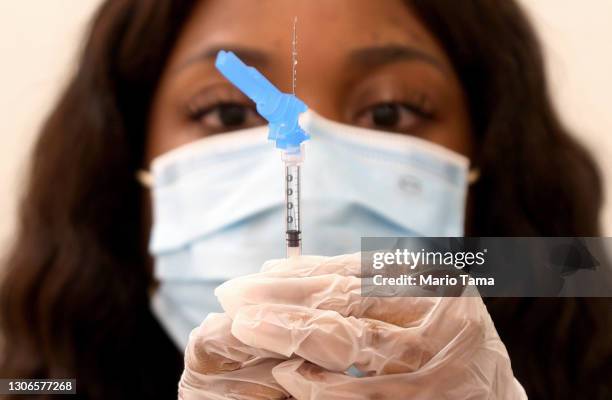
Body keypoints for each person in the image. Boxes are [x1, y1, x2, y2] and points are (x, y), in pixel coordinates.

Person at [0, 0, 609, 399]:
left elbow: (574, 267)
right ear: (128, 160)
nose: (306, 152)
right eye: (229, 110)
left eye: (390, 111)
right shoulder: (31, 384)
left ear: (490, 160)